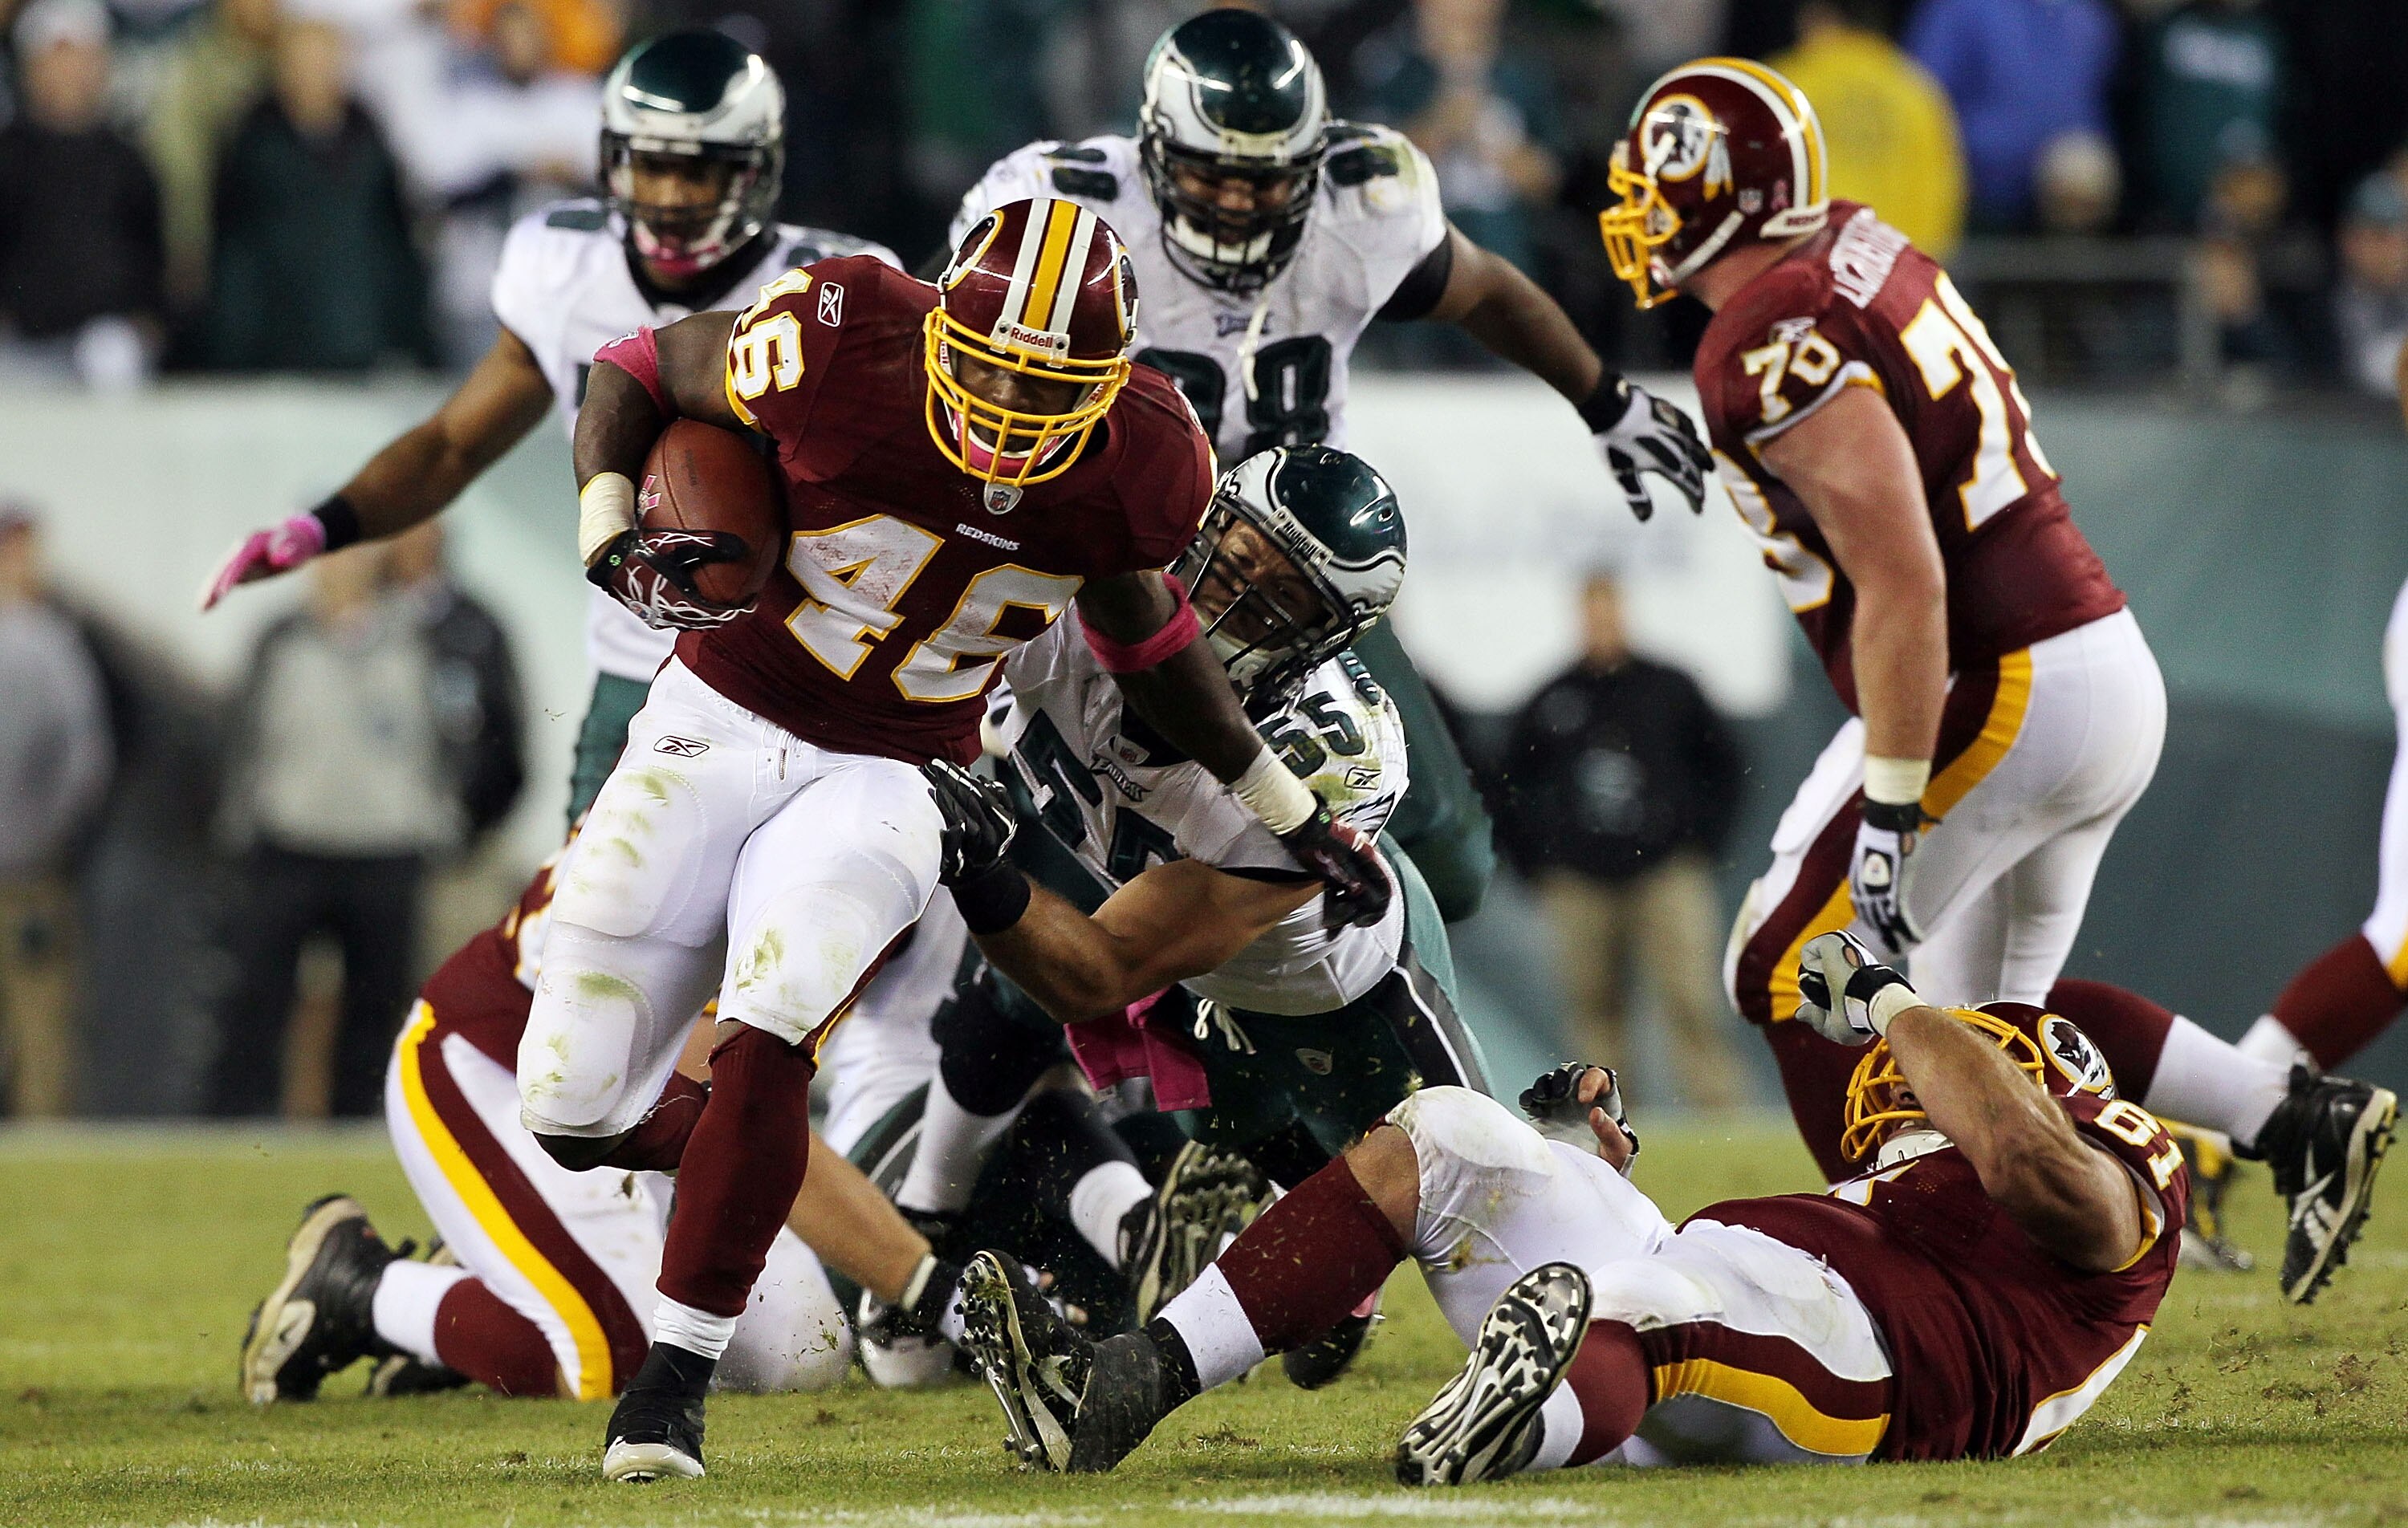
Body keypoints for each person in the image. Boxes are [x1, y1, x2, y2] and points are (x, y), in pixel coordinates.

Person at [526, 195, 1392, 1484]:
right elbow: (638, 367)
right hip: (719, 708)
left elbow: (1146, 637)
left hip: (895, 767)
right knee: (570, 1107)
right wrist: (607, 525)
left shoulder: (1147, 457)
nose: (1010, 410)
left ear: (1113, 382)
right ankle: (750, 1167)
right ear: (941, 325)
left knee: (775, 1019)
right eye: (987, 368)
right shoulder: (845, 327)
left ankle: (670, 1388)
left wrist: (1280, 801)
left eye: (1051, 387)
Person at [1596, 58, 2391, 1299]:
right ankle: (2284, 1116)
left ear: (1716, 195)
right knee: (1981, 1028)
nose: (1638, 214)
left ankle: (1873, 1253)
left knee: (1789, 963)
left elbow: (1905, 577)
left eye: (1656, 187)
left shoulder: (1759, 339)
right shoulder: (1857, 244)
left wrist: (1895, 808)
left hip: (1993, 679)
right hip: (2096, 661)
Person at [948, 8, 1717, 923]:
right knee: (1046, 808)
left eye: (1264, 181)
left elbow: (1485, 290)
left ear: (1311, 164)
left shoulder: (1364, 200)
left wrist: (1605, 397)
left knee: (1447, 860)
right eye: (1212, 173)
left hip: (1292, 573)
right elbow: (952, 346)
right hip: (1117, 550)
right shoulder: (1066, 207)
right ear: (1151, 149)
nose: (1237, 201)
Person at [958, 929, 2189, 1478]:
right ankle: (1119, 1386)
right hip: (1738, 1290)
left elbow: (2026, 1163)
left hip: (1887, 1371)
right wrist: (1571, 1153)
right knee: (1456, 1135)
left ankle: (1519, 1430)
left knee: (1655, 1303)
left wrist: (1895, 1003)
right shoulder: (1914, 1184)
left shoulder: (2108, 1160)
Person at [201, 30, 889, 828]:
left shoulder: (832, 294)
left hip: (799, 694)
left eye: (697, 168)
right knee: (582, 949)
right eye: (650, 163)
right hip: (642, 686)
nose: (668, 195)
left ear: (758, 170)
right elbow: (452, 445)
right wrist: (327, 526)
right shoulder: (565, 270)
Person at [914, 445, 1485, 1385]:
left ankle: (1338, 1259)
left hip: (1337, 991)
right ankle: (932, 1221)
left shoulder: (1326, 750)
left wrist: (974, 864)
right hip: (1183, 968)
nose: (1226, 602)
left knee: (1476, 1211)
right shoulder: (1062, 599)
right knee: (1006, 1001)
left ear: (1324, 637)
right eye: (1230, 560)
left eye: (1274, 599)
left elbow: (1101, 968)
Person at [235, 836, 961, 1404]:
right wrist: (938, 1293)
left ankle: (491, 1281)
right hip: (505, 1065)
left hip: (646, 1100)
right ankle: (361, 1289)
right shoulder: (745, 836)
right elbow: (740, 1113)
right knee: (609, 1355)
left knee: (799, 1348)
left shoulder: (787, 787)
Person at [207, 544, 460, 1119]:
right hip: (288, 843)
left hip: (386, 848)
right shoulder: (278, 640)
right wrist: (241, 822)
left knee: (376, 1009)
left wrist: (444, 821)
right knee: (257, 1001)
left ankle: (363, 1129)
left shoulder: (419, 641)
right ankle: (239, 1128)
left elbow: (450, 739)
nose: (341, 566)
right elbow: (241, 736)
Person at [1499, 572, 1743, 1107]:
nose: (1600, 624)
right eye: (1591, 613)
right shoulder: (1554, 696)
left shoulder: (1670, 688)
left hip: (1664, 872)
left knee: (1690, 1001)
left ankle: (1725, 1119)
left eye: (1609, 611)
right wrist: (1535, 861)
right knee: (1593, 1012)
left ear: (1624, 614)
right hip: (1580, 881)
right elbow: (1508, 785)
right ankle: (1606, 1128)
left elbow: (1726, 765)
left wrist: (1699, 840)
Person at [203, 15, 433, 371]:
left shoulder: (370, 141)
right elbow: (234, 258)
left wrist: (410, 339)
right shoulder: (252, 145)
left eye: (326, 63)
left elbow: (395, 249)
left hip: (362, 345)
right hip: (275, 351)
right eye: (304, 64)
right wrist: (234, 346)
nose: (315, 76)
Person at [0, 505, 114, 1117]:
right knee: (38, 1022)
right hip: (28, 861)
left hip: (26, 873)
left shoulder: (49, 640)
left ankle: (41, 1143)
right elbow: (85, 761)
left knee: (39, 1027)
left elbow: (84, 763)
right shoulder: (48, 642)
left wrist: (45, 839)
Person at [0, 0, 165, 388]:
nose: (68, 72)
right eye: (55, 59)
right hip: (20, 345)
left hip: (107, 347)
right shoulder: (7, 156)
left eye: (80, 58)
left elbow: (153, 254)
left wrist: (149, 320)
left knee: (113, 358)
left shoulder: (128, 160)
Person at [1904, 0, 2118, 232]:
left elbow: (2095, 105)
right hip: (1983, 207)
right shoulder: (1959, 9)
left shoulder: (2087, 15)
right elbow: (1922, 103)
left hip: (2072, 207)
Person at [1771, 0, 1964, 256]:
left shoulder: (1781, 83)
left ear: (1817, 17)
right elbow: (1942, 195)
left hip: (1798, 267)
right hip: (1892, 272)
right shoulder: (1916, 90)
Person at [2332, 173, 2408, 398]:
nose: (2393, 251)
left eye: (2401, 238)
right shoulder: (2317, 314)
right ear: (2348, 240)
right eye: (2379, 236)